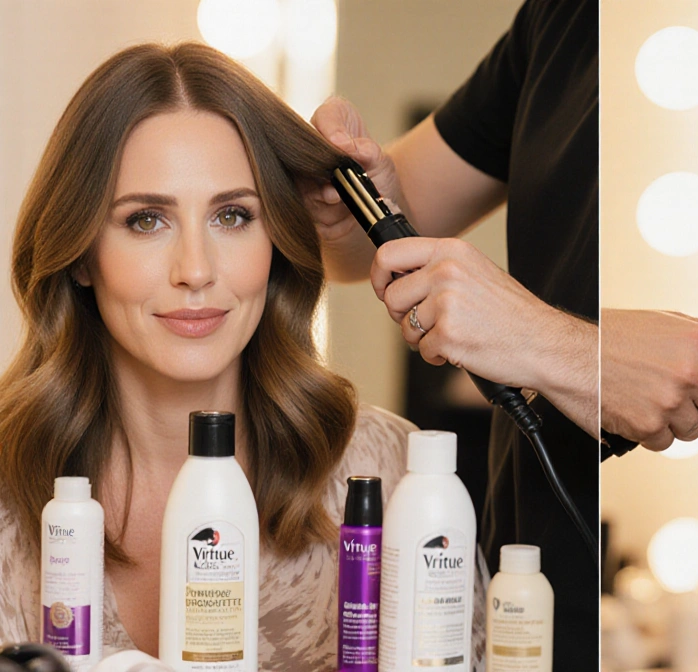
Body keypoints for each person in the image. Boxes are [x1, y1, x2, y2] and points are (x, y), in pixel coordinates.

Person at [0, 43, 486, 670]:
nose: (196, 271)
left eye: (233, 216)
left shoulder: (396, 479)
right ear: (82, 252)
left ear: (277, 239)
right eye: (146, 220)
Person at [305, 0, 601, 665]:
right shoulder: (558, 21)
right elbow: (361, 248)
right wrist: (350, 200)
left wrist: (546, 342)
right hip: (530, 535)